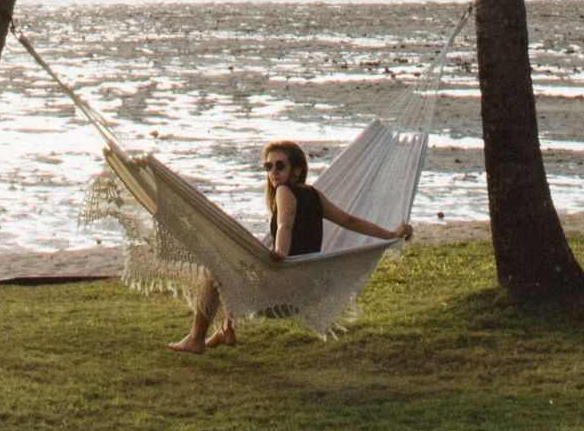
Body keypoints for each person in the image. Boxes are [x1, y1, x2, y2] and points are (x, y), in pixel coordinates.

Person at [168, 137, 413, 354]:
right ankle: (225, 330)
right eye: (268, 166)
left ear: (296, 170)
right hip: (305, 286)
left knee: (215, 271)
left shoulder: (284, 191)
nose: (273, 171)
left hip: (284, 285)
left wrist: (280, 255)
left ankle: (195, 338)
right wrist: (390, 234)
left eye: (280, 165)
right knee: (231, 261)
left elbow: (285, 225)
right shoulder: (314, 194)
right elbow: (350, 221)